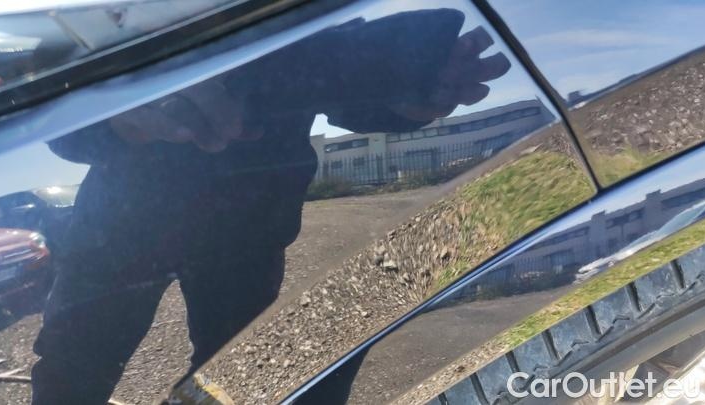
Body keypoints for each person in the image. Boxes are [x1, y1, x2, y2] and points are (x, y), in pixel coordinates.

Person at [31, 9, 510, 404]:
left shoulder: (298, 22)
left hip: (242, 232)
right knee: (73, 371)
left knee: (232, 377)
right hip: (124, 228)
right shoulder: (114, 15)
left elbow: (333, 84)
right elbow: (53, 103)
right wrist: (120, 112)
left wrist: (407, 103)